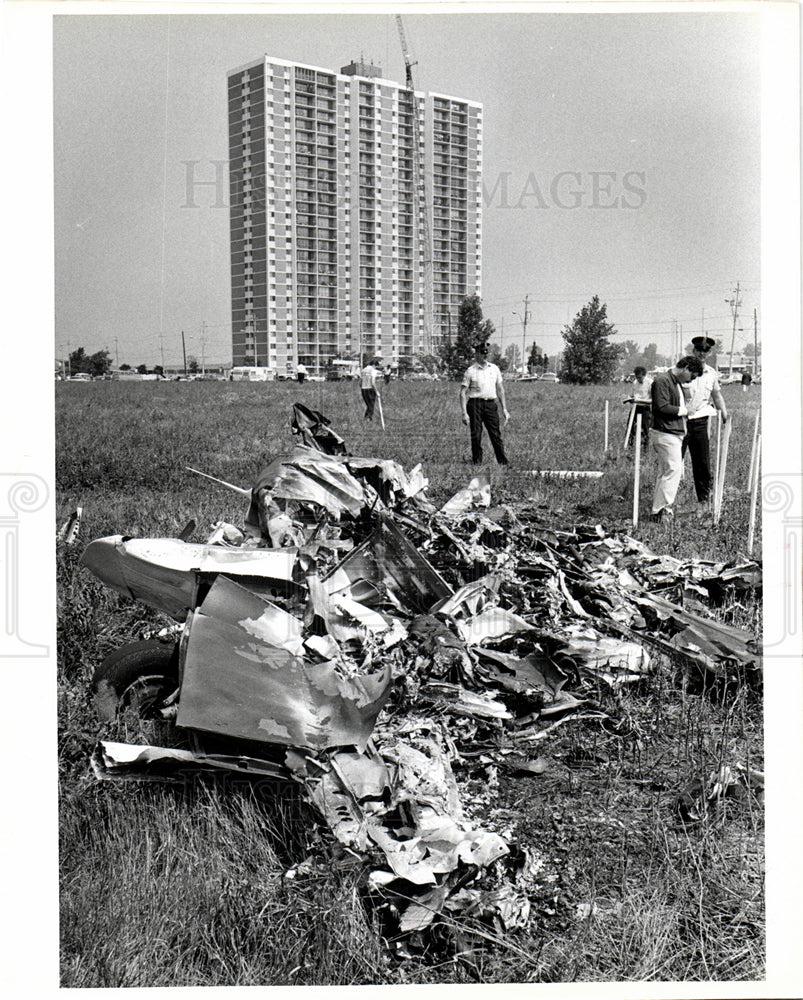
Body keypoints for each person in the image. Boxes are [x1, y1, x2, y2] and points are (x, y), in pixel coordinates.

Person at [649, 355, 704, 522]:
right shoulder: (662, 380)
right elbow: (661, 406)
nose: (691, 380)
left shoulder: (674, 382)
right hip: (665, 432)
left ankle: (658, 510)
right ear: (686, 367)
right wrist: (686, 410)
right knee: (674, 470)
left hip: (671, 432)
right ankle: (663, 510)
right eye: (692, 375)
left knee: (666, 471)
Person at [682, 336, 728, 504]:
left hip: (701, 421)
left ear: (710, 352)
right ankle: (666, 504)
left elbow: (716, 395)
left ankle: (704, 501)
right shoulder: (682, 369)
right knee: (673, 463)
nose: (702, 353)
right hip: (681, 421)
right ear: (693, 350)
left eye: (706, 351)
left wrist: (724, 413)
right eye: (699, 350)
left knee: (702, 464)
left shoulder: (711, 373)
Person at [459, 342, 510, 465]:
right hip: (475, 405)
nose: (484, 355)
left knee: (495, 435)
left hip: (491, 405)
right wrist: (464, 413)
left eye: (486, 353)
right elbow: (462, 393)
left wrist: (504, 410)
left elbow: (500, 390)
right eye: (482, 353)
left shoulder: (494, 369)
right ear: (476, 354)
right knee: (476, 435)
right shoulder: (470, 371)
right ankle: (477, 462)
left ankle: (502, 462)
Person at [623, 366, 652, 447]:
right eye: (636, 377)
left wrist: (641, 401)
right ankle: (629, 446)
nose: (638, 379)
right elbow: (633, 395)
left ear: (644, 375)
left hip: (645, 408)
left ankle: (645, 448)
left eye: (639, 377)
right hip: (635, 408)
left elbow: (653, 400)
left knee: (645, 429)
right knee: (630, 427)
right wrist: (629, 399)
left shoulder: (650, 383)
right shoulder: (635, 383)